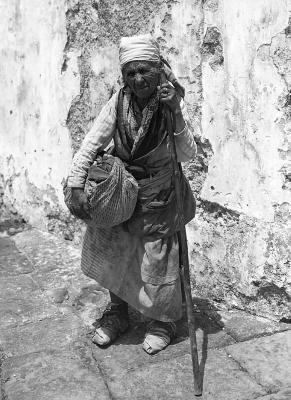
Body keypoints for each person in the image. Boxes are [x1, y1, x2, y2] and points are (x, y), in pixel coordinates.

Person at [67, 34, 199, 355]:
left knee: (159, 261)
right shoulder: (118, 102)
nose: (138, 80)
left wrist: (176, 112)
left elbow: (187, 154)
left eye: (145, 71)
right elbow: (92, 143)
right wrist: (75, 182)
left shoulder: (170, 102)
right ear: (123, 76)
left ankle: (163, 320)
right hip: (124, 193)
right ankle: (118, 312)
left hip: (161, 194)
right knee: (115, 251)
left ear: (158, 69)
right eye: (131, 73)